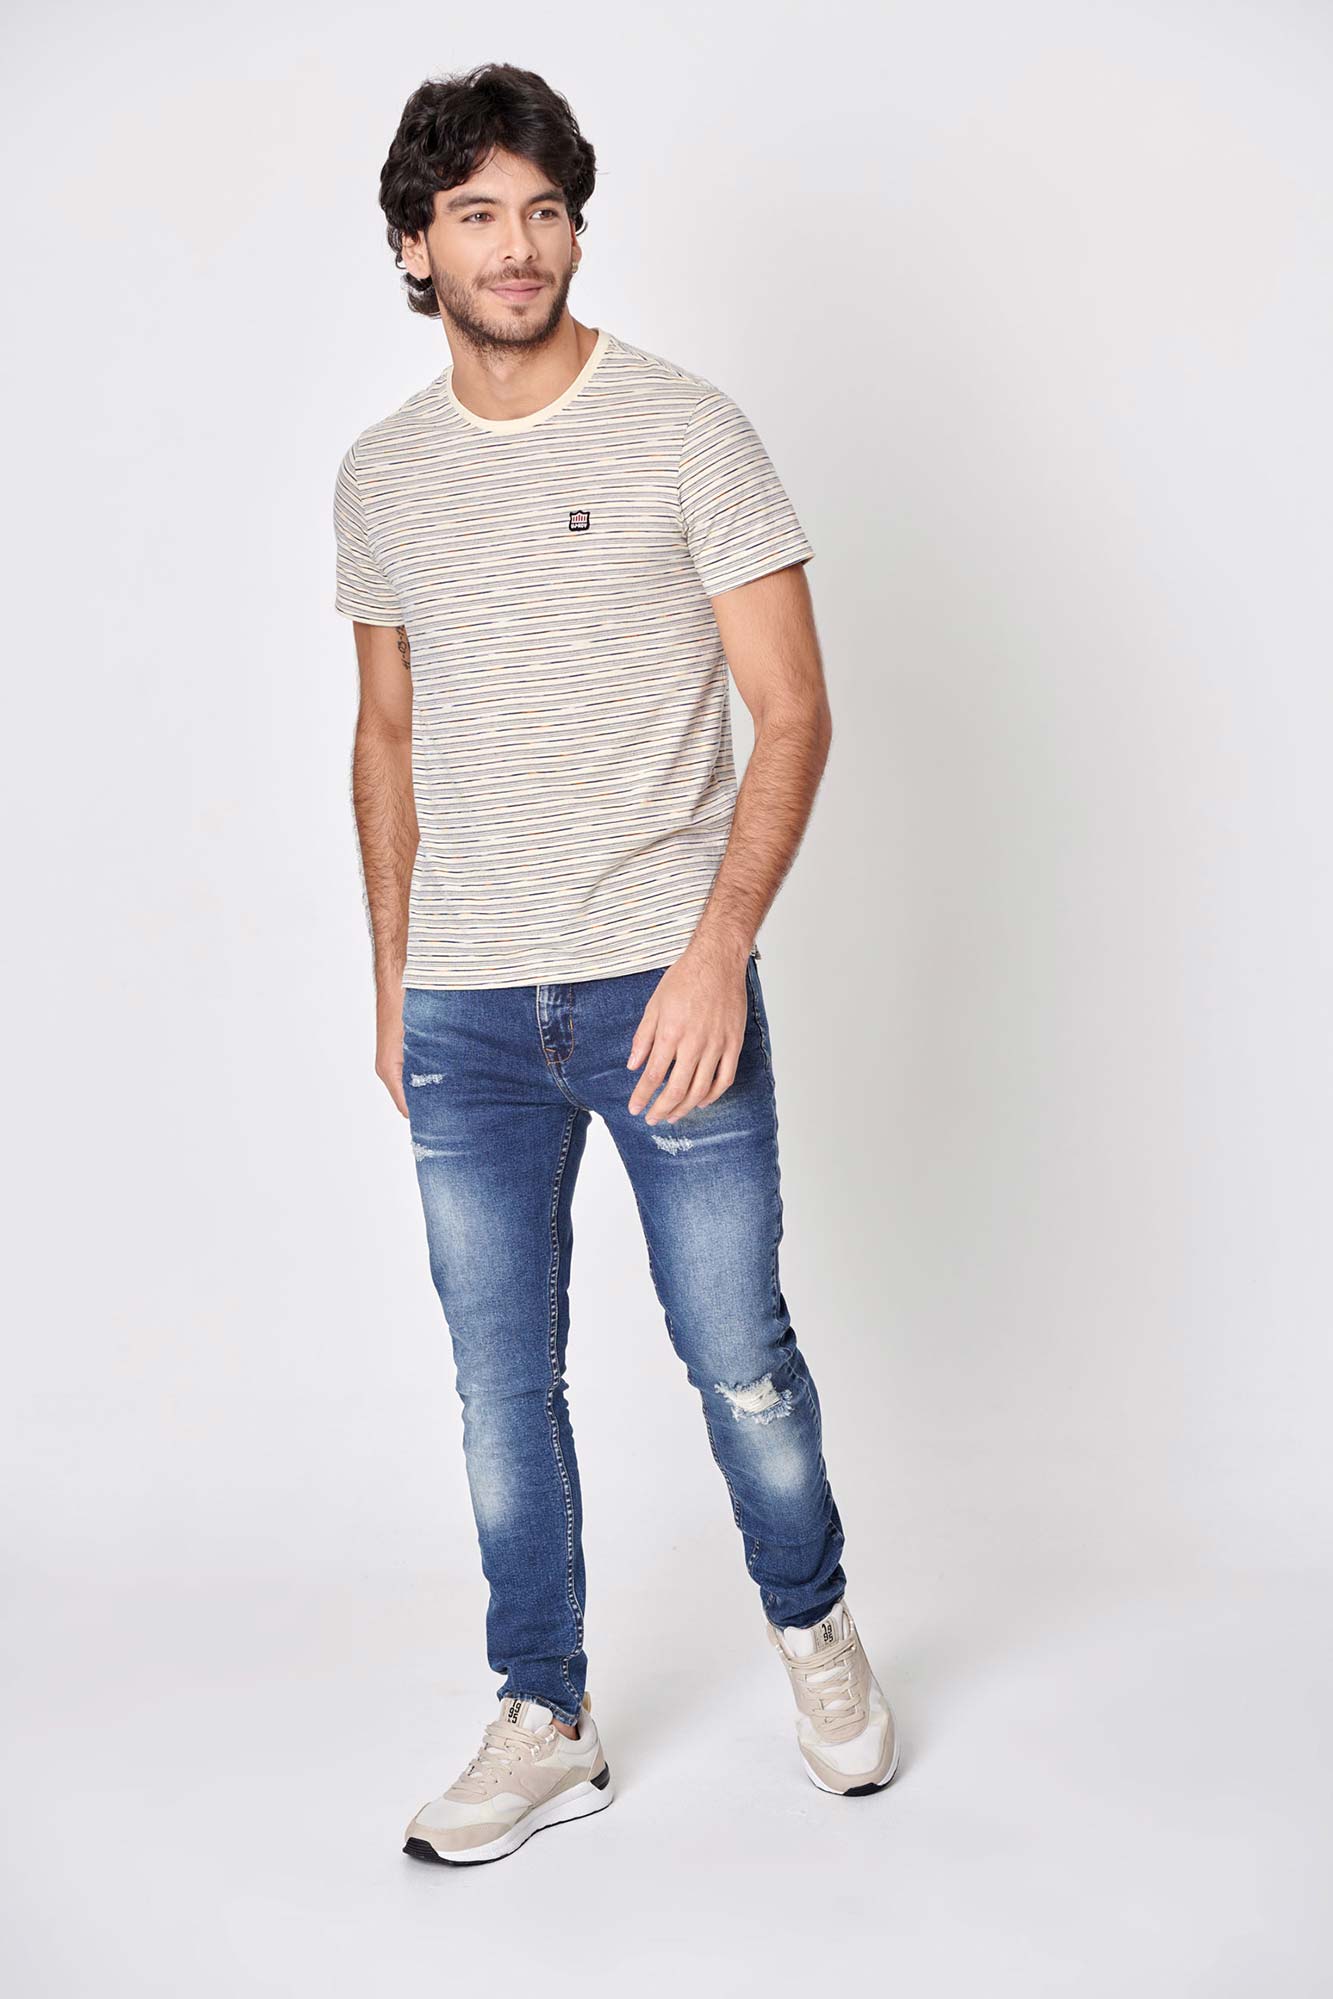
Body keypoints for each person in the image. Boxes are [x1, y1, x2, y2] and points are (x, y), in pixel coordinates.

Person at [333, 62, 899, 1868]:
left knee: (737, 1353)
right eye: (476, 216)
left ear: (575, 229)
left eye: (544, 211)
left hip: (666, 984)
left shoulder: (684, 430)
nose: (517, 246)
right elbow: (385, 739)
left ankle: (811, 1624)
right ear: (415, 247)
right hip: (466, 1006)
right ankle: (546, 1715)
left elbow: (792, 708)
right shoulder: (382, 475)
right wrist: (392, 981)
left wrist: (719, 949)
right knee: (500, 1387)